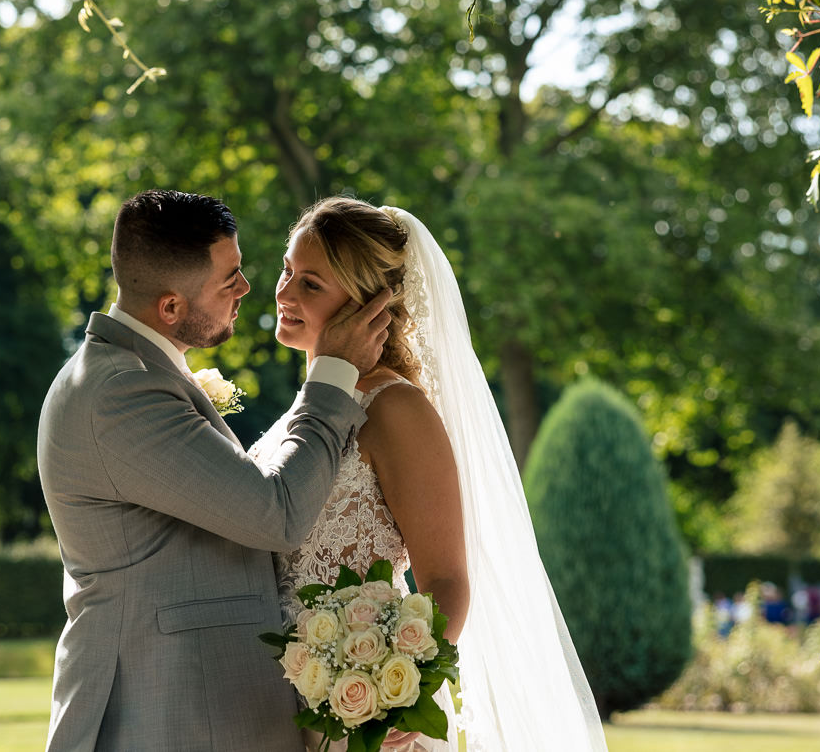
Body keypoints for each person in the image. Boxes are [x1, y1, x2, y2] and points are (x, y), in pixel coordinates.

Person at [37, 189, 392, 752]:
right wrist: (333, 377)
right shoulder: (120, 393)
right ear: (171, 308)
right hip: (168, 712)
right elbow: (275, 514)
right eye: (229, 280)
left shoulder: (130, 373)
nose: (250, 290)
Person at [249, 197, 608, 752]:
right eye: (287, 271)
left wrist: (395, 693)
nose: (285, 293)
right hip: (273, 712)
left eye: (312, 285)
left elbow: (446, 579)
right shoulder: (308, 408)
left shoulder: (395, 410)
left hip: (361, 724)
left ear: (370, 305)